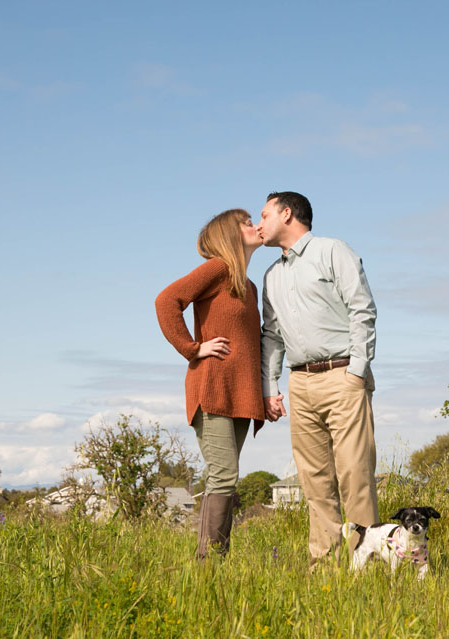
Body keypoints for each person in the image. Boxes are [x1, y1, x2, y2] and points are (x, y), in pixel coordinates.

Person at [256, 191, 379, 567]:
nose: (257, 225)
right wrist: (270, 388)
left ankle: (365, 565)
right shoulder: (271, 275)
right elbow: (272, 335)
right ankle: (323, 567)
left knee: (354, 475)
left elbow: (362, 308)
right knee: (314, 481)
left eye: (264, 215)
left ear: (287, 214)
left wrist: (357, 370)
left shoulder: (332, 251)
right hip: (301, 383)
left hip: (343, 375)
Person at [155, 208, 265, 558]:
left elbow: (253, 345)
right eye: (246, 223)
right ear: (229, 234)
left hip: (241, 396)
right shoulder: (218, 268)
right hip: (214, 390)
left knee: (226, 479)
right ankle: (209, 564)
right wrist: (193, 348)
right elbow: (166, 301)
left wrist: (267, 394)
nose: (255, 226)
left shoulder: (247, 285)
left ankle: (215, 560)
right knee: (224, 476)